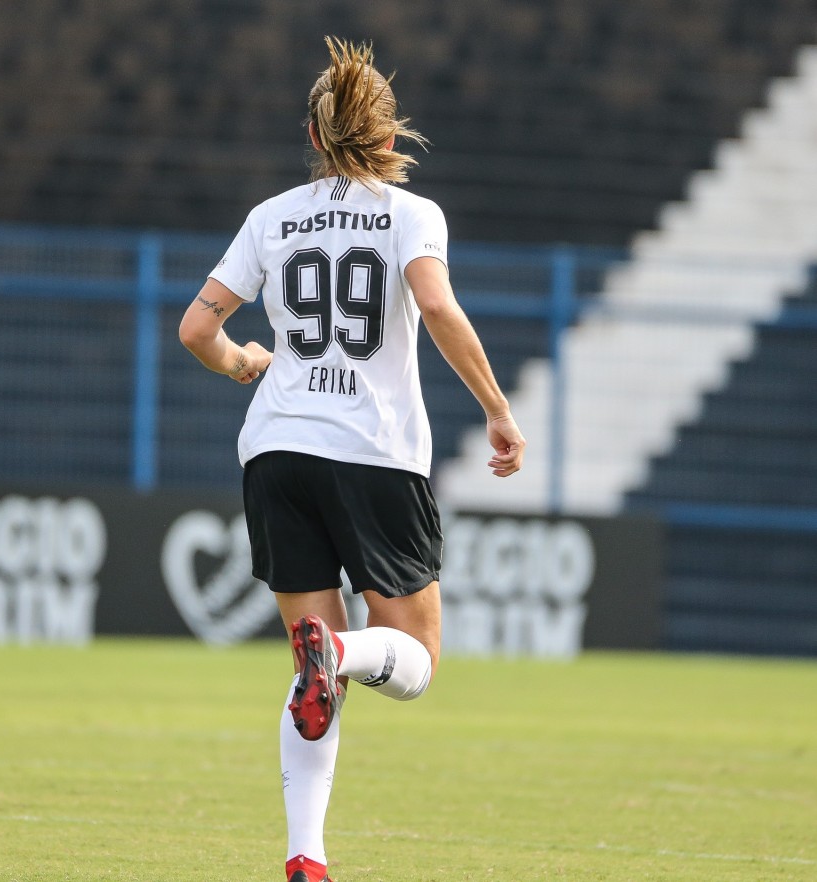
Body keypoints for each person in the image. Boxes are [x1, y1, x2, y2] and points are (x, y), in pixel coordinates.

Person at [179, 36, 525, 882]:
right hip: (372, 453)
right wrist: (495, 409)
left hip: (276, 450)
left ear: (311, 132)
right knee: (411, 662)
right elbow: (436, 307)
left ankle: (306, 856)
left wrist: (244, 363)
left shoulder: (272, 217)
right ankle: (338, 655)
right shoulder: (413, 214)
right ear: (385, 133)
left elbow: (196, 330)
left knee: (310, 652)